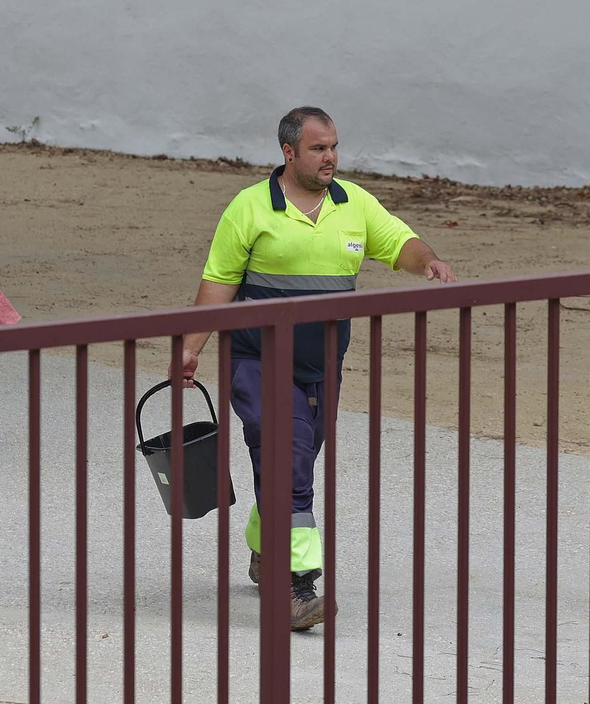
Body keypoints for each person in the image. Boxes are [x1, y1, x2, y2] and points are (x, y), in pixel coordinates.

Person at [179, 106, 456, 630]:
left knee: (292, 461)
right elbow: (218, 282)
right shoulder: (250, 208)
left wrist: (429, 262)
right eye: (318, 149)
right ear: (288, 153)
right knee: (287, 456)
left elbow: (400, 242)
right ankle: (297, 586)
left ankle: (267, 545)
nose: (330, 157)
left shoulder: (354, 204)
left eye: (333, 147)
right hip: (257, 360)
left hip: (323, 366)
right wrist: (191, 347)